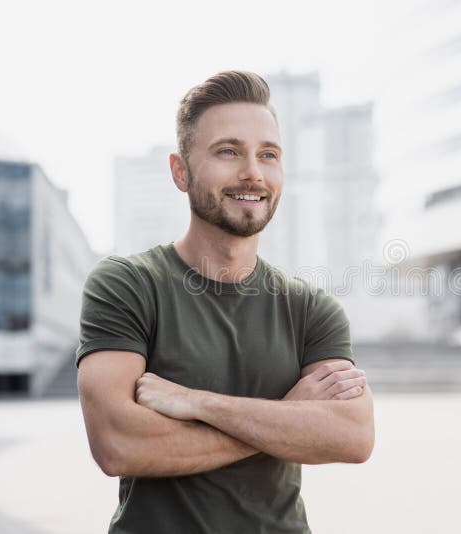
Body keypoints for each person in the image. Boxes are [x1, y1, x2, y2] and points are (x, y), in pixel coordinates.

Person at [75, 70, 374, 533]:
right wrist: (288, 417)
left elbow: (353, 436)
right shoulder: (127, 284)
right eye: (228, 151)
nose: (253, 171)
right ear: (180, 170)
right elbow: (118, 444)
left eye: (268, 155)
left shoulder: (310, 309)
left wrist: (196, 403)